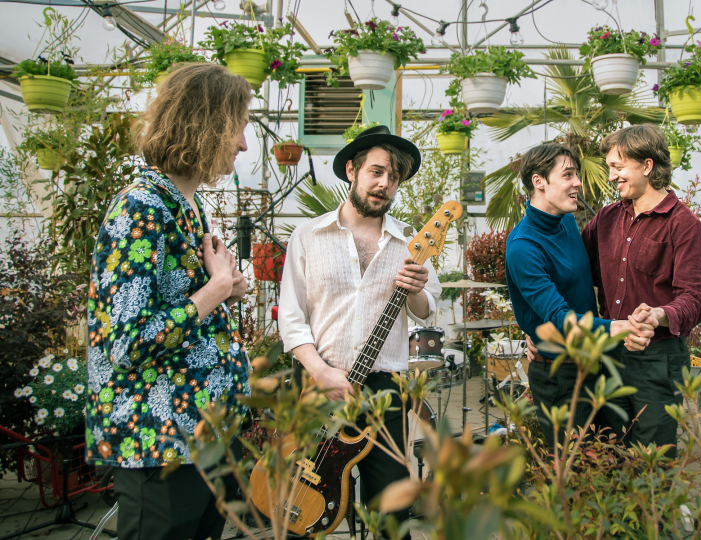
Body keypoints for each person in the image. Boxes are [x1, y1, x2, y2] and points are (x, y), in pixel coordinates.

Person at [85, 63, 252, 540]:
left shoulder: (183, 205)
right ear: (207, 123)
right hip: (158, 440)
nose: (243, 144)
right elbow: (128, 342)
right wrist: (213, 291)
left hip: (201, 435)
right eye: (238, 127)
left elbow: (179, 306)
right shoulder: (140, 208)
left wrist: (223, 287)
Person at [278, 125, 442, 534]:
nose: (385, 184)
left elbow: (428, 311)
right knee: (304, 497)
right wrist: (319, 371)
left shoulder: (412, 241)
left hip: (385, 390)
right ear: (351, 169)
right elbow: (292, 318)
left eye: (394, 178)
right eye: (377, 171)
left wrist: (417, 290)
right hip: (317, 382)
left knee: (391, 508)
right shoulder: (309, 236)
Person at [505, 143, 655, 447]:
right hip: (561, 376)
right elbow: (559, 318)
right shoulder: (524, 246)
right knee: (573, 474)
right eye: (568, 175)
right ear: (539, 182)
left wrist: (534, 329)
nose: (578, 183)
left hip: (594, 363)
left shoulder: (565, 222)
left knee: (607, 465)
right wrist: (622, 326)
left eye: (576, 174)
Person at [581, 124, 701, 455]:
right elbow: (575, 271)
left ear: (648, 165)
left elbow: (693, 300)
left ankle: (657, 509)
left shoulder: (684, 225)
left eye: (618, 167)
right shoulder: (606, 219)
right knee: (606, 450)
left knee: (652, 459)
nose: (611, 177)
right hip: (609, 350)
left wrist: (658, 314)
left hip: (657, 358)